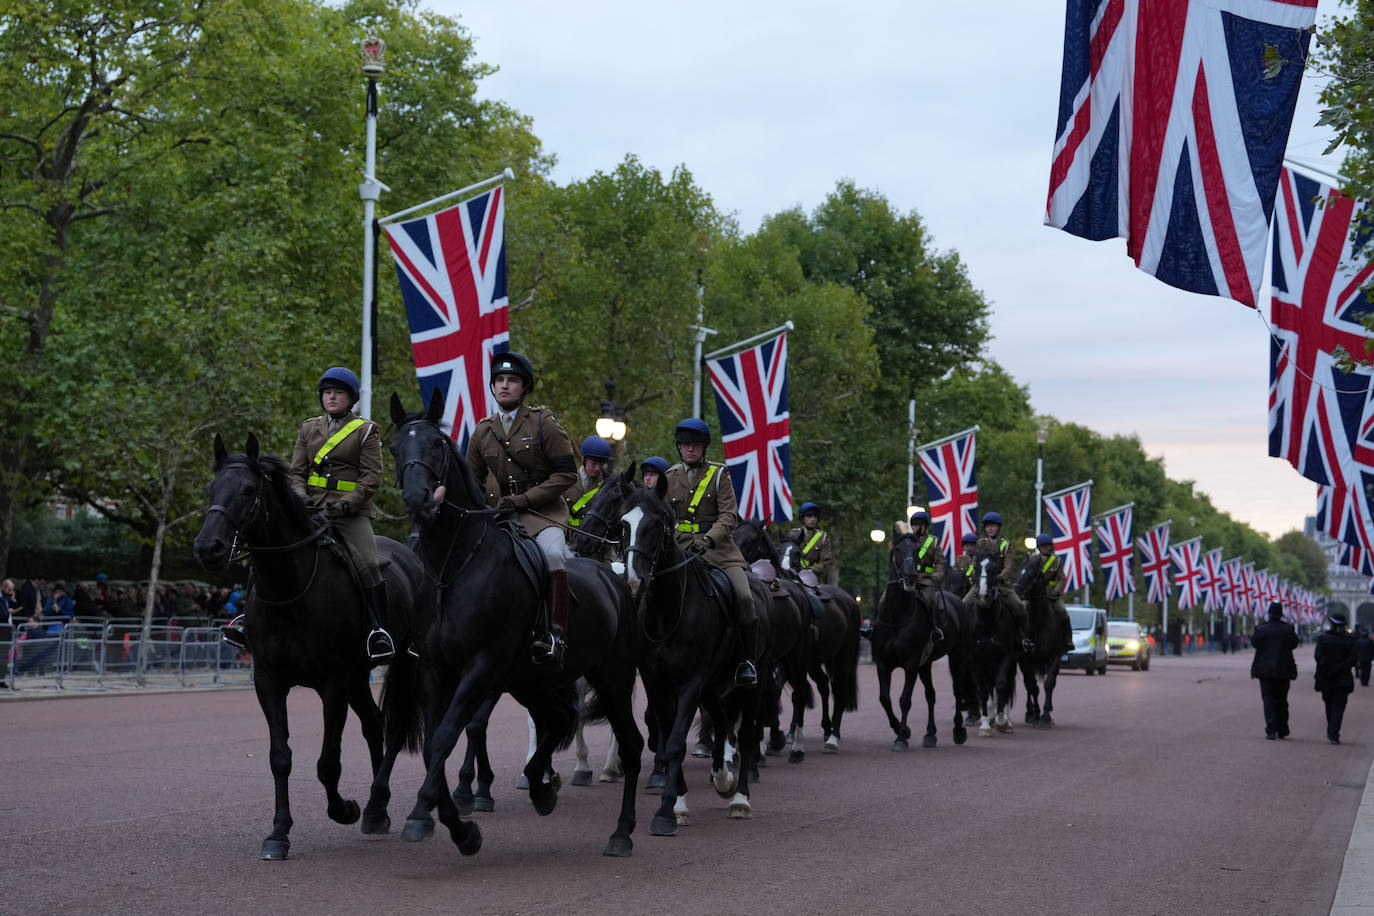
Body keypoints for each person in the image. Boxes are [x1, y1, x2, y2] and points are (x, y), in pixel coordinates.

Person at [219, 366, 395, 662]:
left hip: (349, 513)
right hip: (309, 509)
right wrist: (299, 499)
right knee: (268, 553)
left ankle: (379, 630)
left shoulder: (366, 431)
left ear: (350, 398)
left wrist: (346, 503)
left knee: (367, 564)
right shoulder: (308, 428)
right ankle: (246, 619)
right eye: (327, 392)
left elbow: (371, 479)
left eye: (337, 392)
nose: (331, 397)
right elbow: (296, 472)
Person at [467, 352, 577, 668]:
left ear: (523, 387)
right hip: (501, 515)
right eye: (499, 380)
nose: (504, 386)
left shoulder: (543, 422)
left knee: (553, 556)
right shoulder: (483, 430)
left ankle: (556, 634)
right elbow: (470, 479)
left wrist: (526, 499)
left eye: (512, 381)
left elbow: (567, 474)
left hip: (543, 514)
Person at [664, 417, 757, 687]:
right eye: (684, 445)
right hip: (680, 548)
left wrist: (709, 539)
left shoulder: (719, 475)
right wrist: (680, 539)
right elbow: (665, 518)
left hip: (718, 551)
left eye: (694, 445)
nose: (689, 449)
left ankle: (746, 661)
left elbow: (729, 517)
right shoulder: (670, 477)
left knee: (744, 597)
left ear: (704, 447)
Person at [962, 511, 1033, 649]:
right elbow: (975, 564)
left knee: (1019, 606)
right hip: (982, 582)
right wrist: (976, 577)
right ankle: (961, 637)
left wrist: (999, 577)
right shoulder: (980, 544)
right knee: (963, 605)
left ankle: (1022, 637)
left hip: (1000, 584)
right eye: (988, 526)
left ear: (999, 527)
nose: (990, 528)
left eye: (993, 526)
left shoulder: (1006, 545)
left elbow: (1009, 566)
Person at [1250, 601, 1298, 740]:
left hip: (1264, 669)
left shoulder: (1261, 629)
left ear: (1269, 614)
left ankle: (1271, 729)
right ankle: (1283, 728)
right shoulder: (1288, 629)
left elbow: (1254, 643)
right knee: (1282, 700)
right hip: (1284, 669)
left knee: (1268, 700)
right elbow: (1294, 644)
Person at [1314, 612, 1358, 744]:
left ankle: (1332, 730)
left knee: (1329, 705)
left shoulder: (1323, 638)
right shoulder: (1350, 640)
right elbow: (1353, 660)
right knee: (1339, 707)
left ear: (1332, 624)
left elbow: (1318, 657)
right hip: (1343, 678)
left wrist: (1328, 668)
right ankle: (1334, 732)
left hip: (1326, 677)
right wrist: (1339, 667)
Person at [905, 510, 948, 643]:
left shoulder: (933, 542)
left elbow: (941, 563)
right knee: (887, 596)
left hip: (926, 580)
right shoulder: (906, 540)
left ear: (926, 526)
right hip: (907, 578)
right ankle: (876, 627)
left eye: (921, 524)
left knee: (930, 600)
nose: (918, 527)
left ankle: (934, 629)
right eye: (915, 524)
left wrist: (936, 576)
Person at [1028, 533, 1075, 652]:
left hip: (1050, 593)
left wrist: (1056, 591)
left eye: (1047, 545)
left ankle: (1068, 638)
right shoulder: (1032, 559)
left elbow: (1061, 579)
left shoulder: (1057, 561)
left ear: (1050, 546)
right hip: (1034, 592)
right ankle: (1020, 637)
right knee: (1022, 608)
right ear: (1038, 547)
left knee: (1063, 611)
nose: (1045, 548)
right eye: (1042, 546)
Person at [565, 435, 613, 538]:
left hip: (592, 542)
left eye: (601, 464)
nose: (597, 468)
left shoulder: (605, 486)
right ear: (583, 459)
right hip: (566, 539)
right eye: (593, 463)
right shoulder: (567, 480)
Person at [785, 502, 834, 583]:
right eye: (809, 516)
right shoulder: (793, 534)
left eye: (815, 516)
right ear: (803, 518)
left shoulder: (823, 538)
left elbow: (825, 563)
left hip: (813, 579)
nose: (813, 519)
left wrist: (808, 570)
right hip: (792, 577)